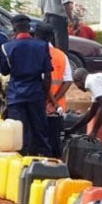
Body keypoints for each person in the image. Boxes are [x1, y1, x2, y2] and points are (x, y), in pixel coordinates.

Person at [0, 14, 53, 156]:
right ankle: (46, 165)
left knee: (19, 135)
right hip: (36, 94)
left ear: (14, 28)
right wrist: (44, 96)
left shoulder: (6, 47)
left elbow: (4, 72)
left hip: (16, 96)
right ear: (29, 28)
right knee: (40, 133)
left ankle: (21, 168)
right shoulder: (42, 46)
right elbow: (48, 75)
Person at [35, 24, 72, 157]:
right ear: (51, 37)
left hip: (40, 106)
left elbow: (44, 81)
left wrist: (51, 101)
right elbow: (68, 80)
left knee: (38, 144)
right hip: (56, 109)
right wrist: (55, 102)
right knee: (55, 144)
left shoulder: (37, 53)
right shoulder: (61, 55)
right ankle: (56, 171)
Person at [69, 68, 102, 143]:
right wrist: (73, 129)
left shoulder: (91, 82)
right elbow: (91, 113)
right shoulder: (96, 82)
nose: (78, 88)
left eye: (76, 84)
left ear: (79, 80)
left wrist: (94, 131)